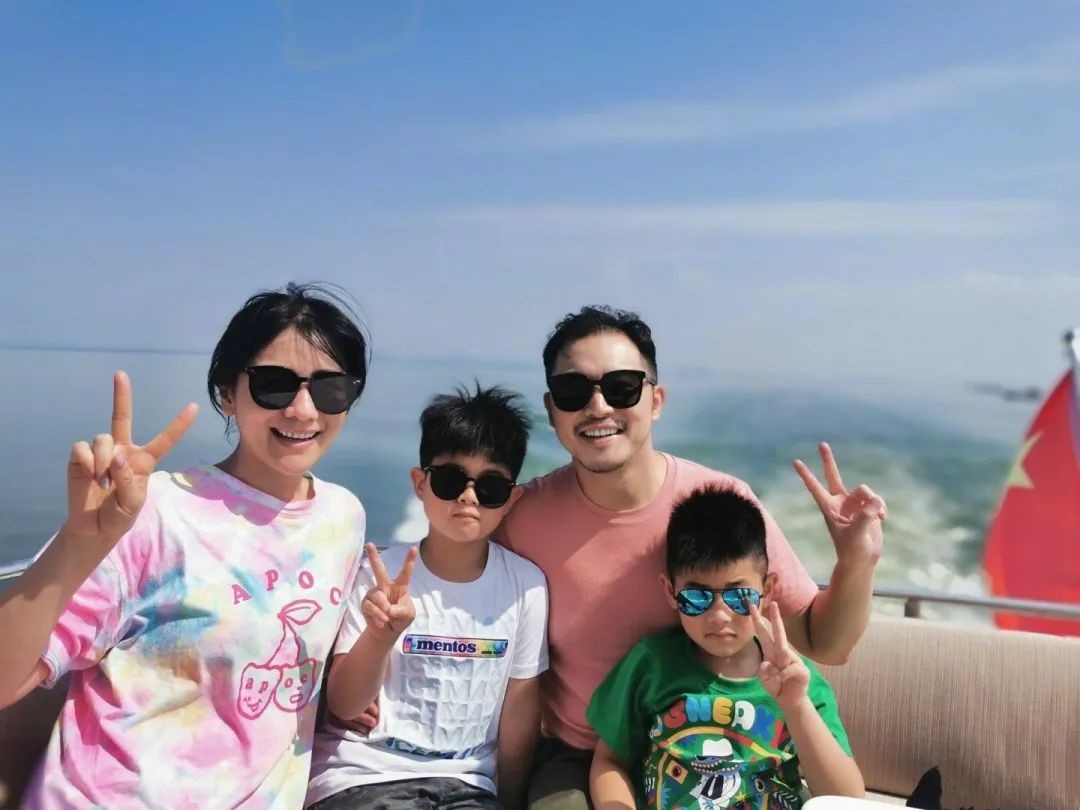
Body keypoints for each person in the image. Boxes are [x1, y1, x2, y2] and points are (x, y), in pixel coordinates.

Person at [495, 305, 887, 809]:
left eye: (621, 388)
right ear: (552, 410)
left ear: (655, 401)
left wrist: (855, 563)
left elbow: (824, 643)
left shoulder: (721, 504)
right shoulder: (523, 518)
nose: (597, 406)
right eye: (574, 391)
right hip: (586, 754)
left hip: (731, 753)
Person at [0, 283, 372, 808]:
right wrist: (79, 543)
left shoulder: (343, 518)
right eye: (274, 385)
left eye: (331, 389)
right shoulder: (154, 513)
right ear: (227, 393)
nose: (303, 410)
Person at [306, 385, 549, 810]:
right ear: (420, 483)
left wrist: (510, 800)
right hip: (364, 774)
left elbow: (519, 712)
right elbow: (345, 705)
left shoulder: (526, 587)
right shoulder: (377, 574)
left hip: (468, 785)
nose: (468, 496)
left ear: (511, 500)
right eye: (451, 479)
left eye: (490, 487)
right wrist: (380, 636)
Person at [587, 486, 863, 809]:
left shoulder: (798, 681)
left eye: (739, 596)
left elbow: (847, 800)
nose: (719, 616)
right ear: (670, 591)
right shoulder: (651, 665)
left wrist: (796, 705)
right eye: (696, 597)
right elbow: (609, 761)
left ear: (767, 590)